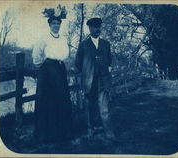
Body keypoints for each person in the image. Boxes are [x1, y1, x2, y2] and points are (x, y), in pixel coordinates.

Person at [32, 6, 72, 143]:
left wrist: (60, 66)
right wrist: (43, 68)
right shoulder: (43, 38)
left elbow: (66, 54)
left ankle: (61, 134)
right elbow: (37, 55)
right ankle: (46, 135)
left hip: (60, 70)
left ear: (60, 25)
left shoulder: (63, 39)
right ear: (49, 24)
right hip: (47, 71)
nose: (56, 26)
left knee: (61, 100)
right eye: (53, 23)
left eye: (58, 23)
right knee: (47, 101)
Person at [75, 17, 116, 141]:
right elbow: (78, 63)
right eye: (94, 26)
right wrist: (87, 72)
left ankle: (109, 133)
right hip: (89, 81)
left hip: (103, 80)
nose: (97, 29)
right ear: (90, 28)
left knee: (104, 107)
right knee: (89, 107)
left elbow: (109, 60)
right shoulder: (84, 45)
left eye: (99, 26)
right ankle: (90, 130)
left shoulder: (106, 44)